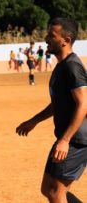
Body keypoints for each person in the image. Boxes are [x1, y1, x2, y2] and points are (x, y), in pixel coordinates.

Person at [16, 18, 87, 203]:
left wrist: (65, 140)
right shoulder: (62, 66)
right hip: (68, 137)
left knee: (56, 192)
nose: (46, 38)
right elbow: (58, 104)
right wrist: (34, 121)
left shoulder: (72, 66)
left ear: (66, 40)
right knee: (48, 188)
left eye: (51, 35)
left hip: (76, 139)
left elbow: (83, 104)